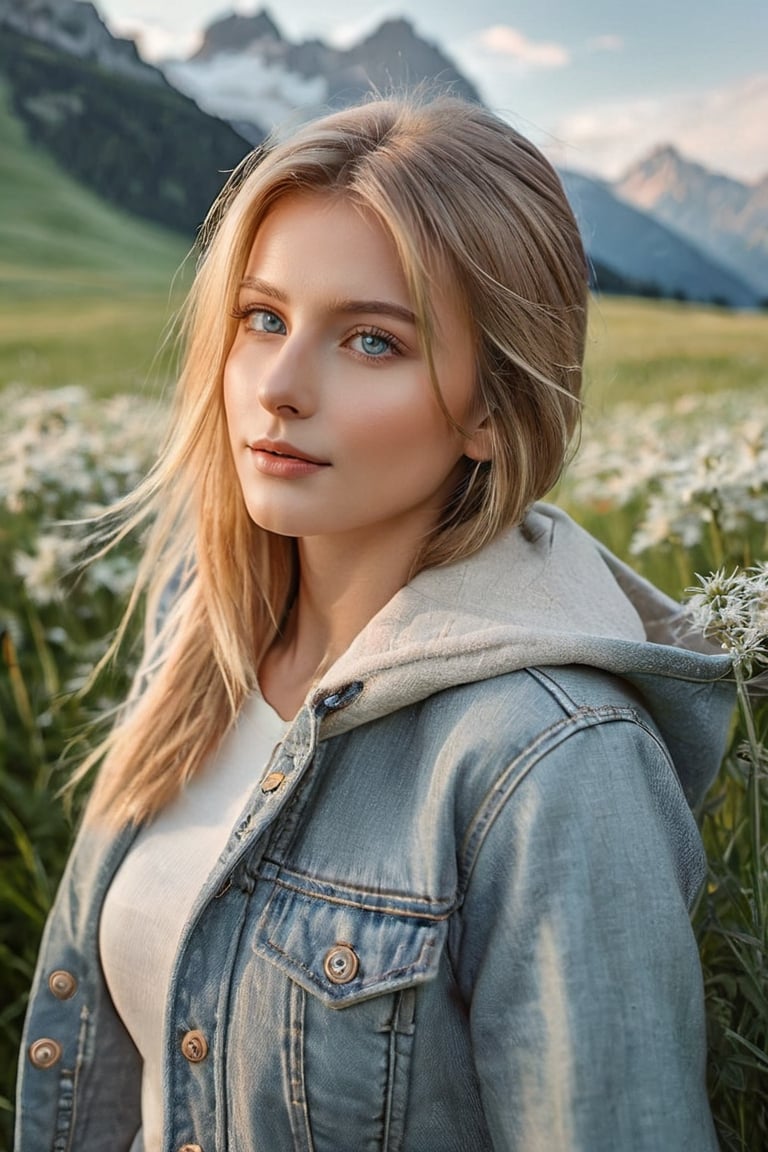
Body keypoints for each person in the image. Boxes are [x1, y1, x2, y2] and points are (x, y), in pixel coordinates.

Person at [16, 94, 734, 1152]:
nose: (280, 389)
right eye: (263, 319)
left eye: (370, 342)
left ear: (490, 408)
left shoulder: (553, 764)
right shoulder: (199, 636)